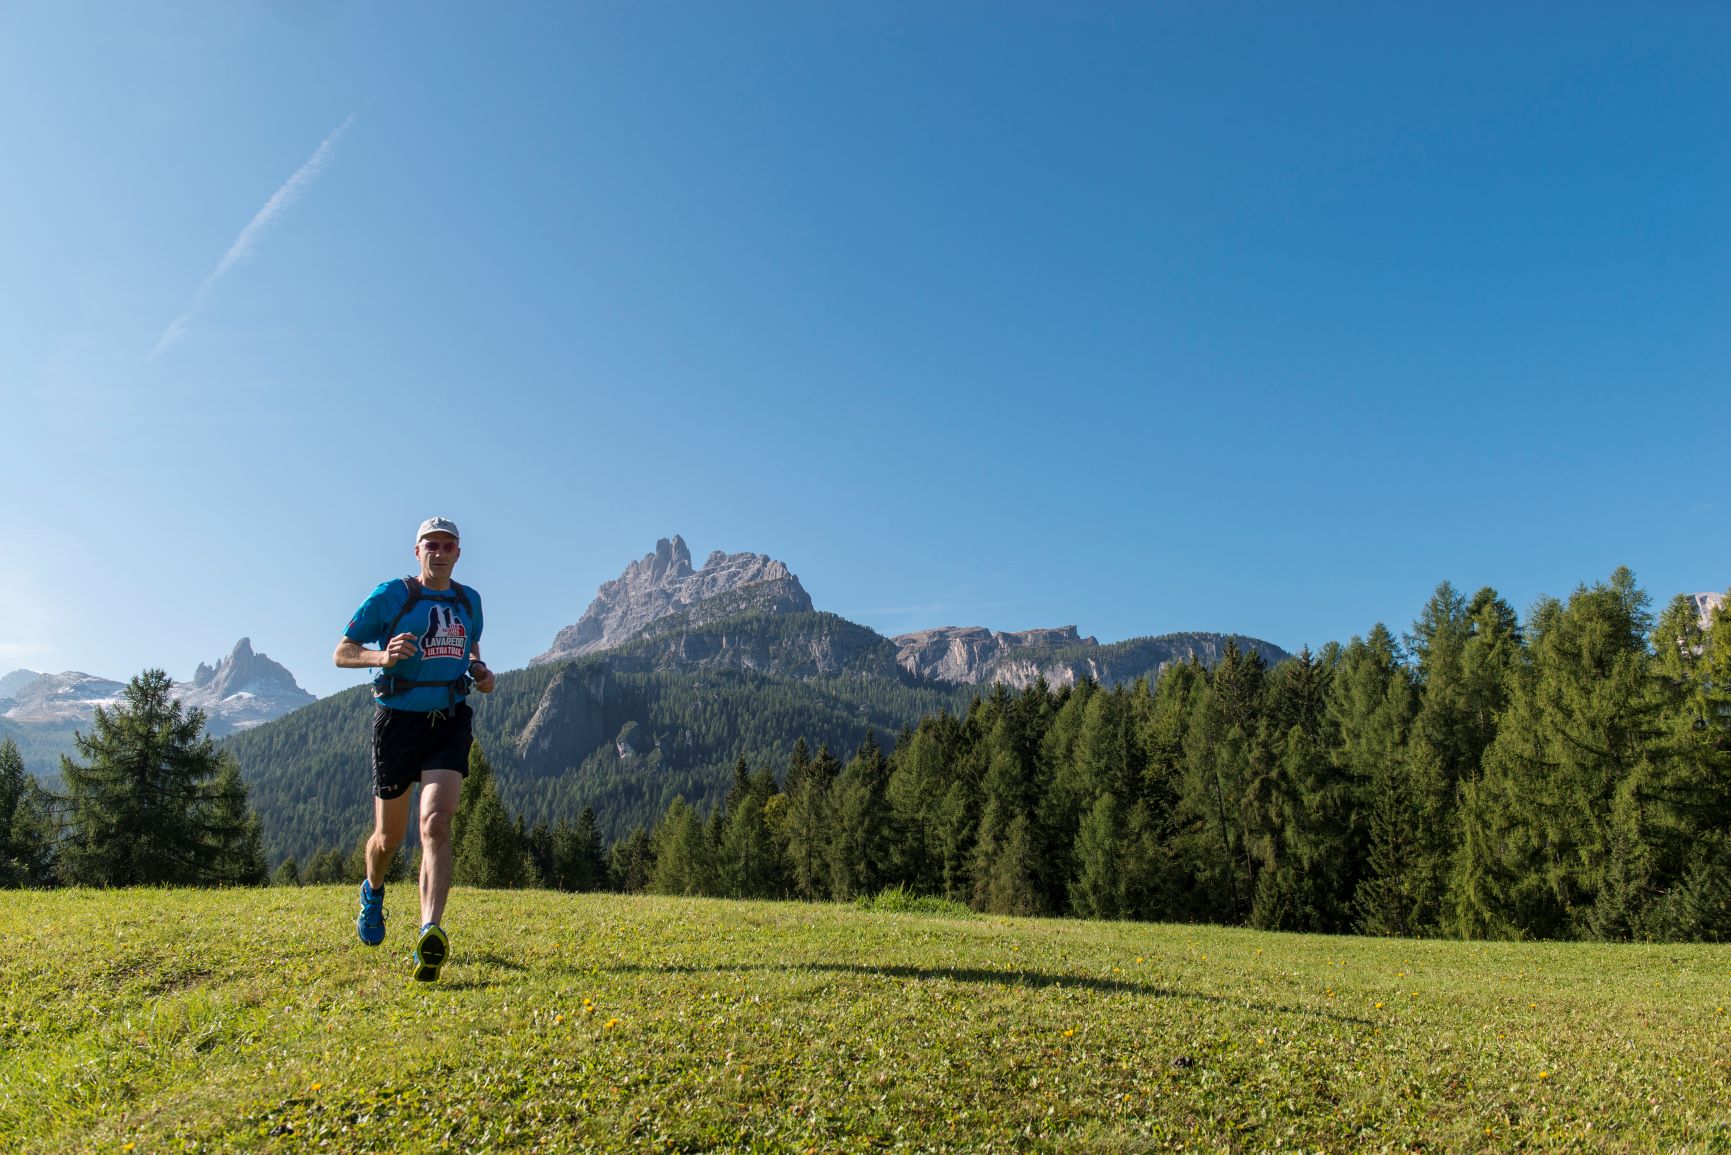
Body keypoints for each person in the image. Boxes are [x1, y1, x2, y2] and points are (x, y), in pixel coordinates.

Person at [334, 517, 495, 981]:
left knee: (436, 823)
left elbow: (472, 650)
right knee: (387, 839)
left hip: (449, 719)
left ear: (458, 553)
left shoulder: (469, 601)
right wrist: (382, 656)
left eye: (448, 546)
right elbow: (342, 651)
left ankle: (430, 931)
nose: (439, 553)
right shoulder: (392, 595)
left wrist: (482, 674)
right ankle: (373, 891)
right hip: (397, 724)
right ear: (417, 551)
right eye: (431, 546)